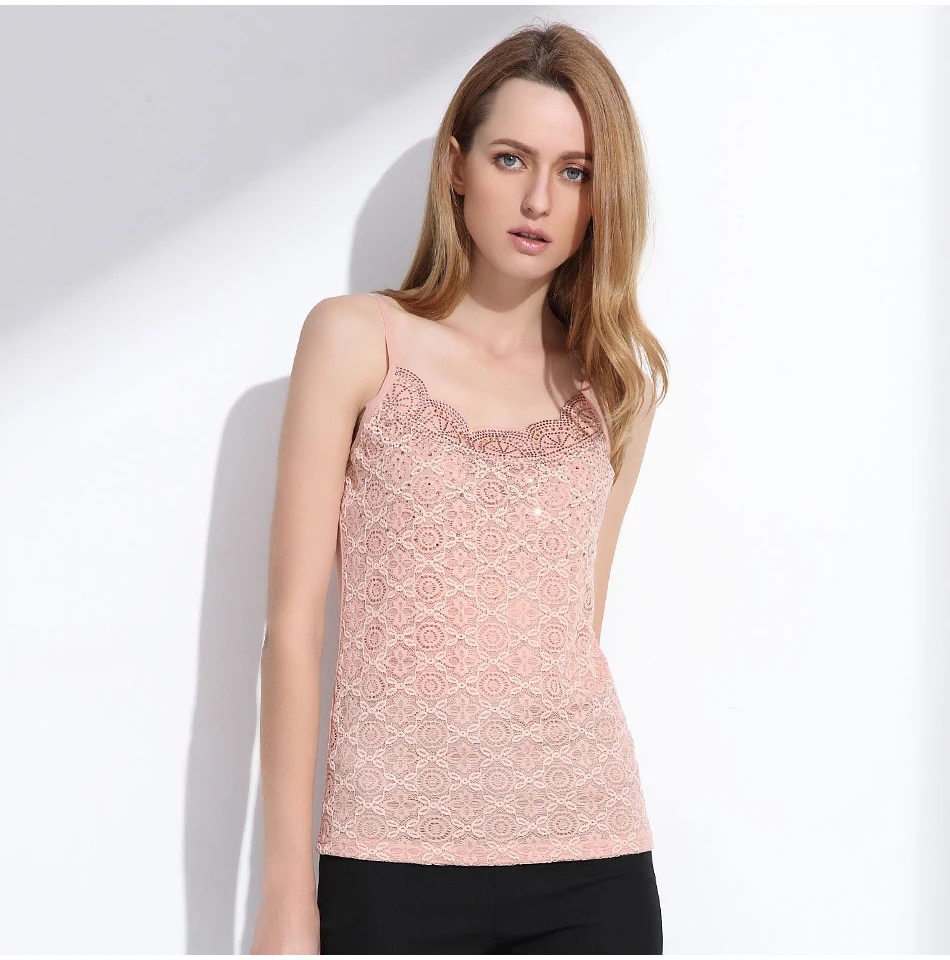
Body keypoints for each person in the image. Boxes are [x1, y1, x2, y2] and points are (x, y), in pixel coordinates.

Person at [251, 18, 669, 956]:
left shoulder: (616, 386)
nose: (539, 199)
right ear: (456, 167)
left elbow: (575, 625)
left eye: (575, 171)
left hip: (591, 855)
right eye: (511, 158)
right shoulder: (357, 340)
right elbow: (293, 628)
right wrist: (286, 894)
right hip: (386, 853)